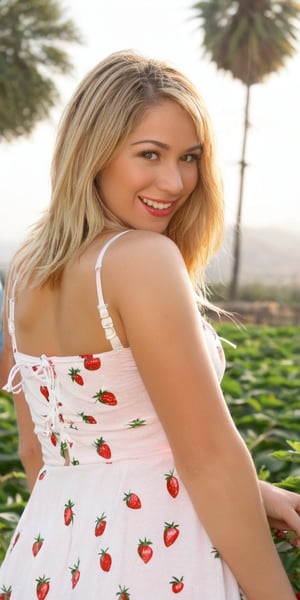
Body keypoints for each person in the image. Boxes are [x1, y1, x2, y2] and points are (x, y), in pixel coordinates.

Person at [0, 50, 299, 600]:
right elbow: (206, 457)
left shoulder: (25, 268)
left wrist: (255, 491)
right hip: (159, 561)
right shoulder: (142, 258)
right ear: (94, 153)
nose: (176, 181)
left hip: (45, 559)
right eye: (150, 154)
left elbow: (42, 451)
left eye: (189, 157)